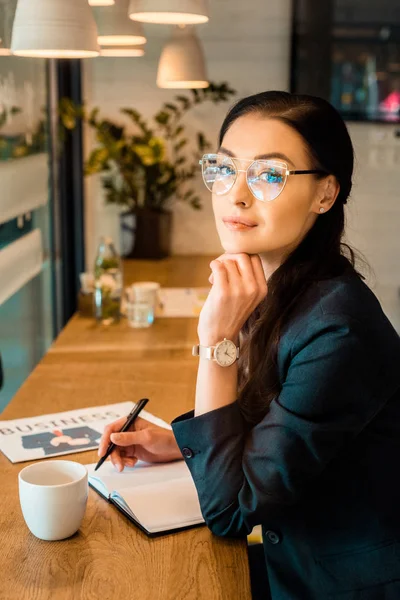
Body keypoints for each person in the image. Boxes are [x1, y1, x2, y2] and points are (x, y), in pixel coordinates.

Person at [98, 91, 400, 599]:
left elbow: (231, 511)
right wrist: (179, 443)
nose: (236, 195)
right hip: (299, 557)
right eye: (225, 168)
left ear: (325, 194)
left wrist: (216, 341)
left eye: (269, 175)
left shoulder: (339, 327)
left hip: (341, 583)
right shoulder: (280, 281)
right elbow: (277, 416)